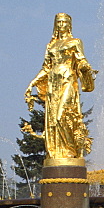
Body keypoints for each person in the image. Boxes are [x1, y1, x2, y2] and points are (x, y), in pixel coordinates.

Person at [25, 13, 95, 160]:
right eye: (59, 22)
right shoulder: (51, 45)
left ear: (69, 25)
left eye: (64, 22)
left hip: (68, 80)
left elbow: (81, 59)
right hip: (53, 83)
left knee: (61, 116)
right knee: (52, 121)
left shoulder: (75, 42)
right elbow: (46, 68)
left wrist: (85, 67)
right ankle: (57, 153)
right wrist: (32, 83)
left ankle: (70, 151)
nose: (61, 25)